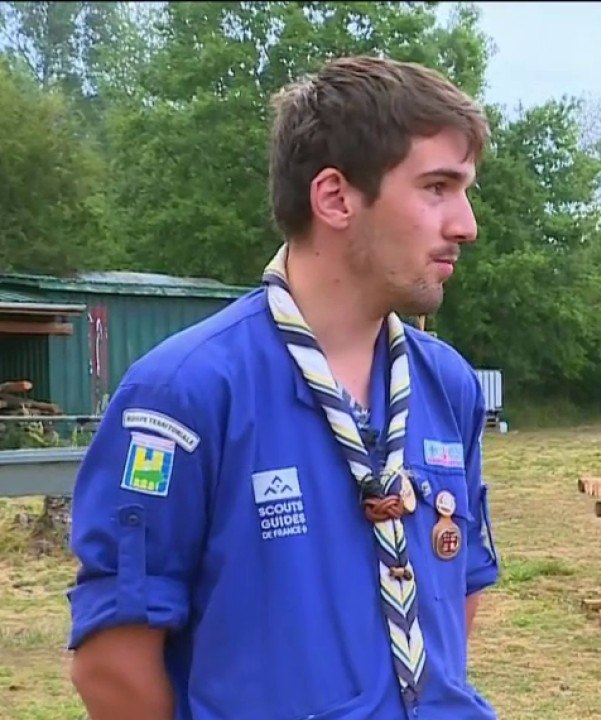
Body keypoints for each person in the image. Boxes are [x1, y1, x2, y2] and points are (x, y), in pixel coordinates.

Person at [65, 56, 501, 720]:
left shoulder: (449, 386)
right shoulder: (185, 395)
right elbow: (113, 668)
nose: (465, 224)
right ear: (334, 198)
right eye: (437, 187)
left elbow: (455, 600)